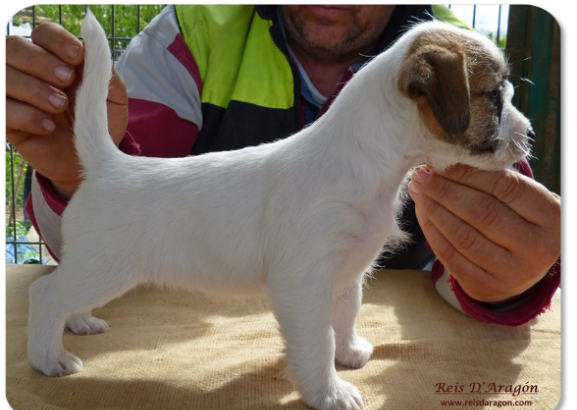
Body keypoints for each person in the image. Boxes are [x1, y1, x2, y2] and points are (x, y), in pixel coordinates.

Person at [6, 4, 560, 326]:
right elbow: (113, 204)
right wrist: (69, 175)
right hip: (166, 316)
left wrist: (510, 279)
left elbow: (496, 243)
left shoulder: (454, 57)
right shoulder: (195, 33)